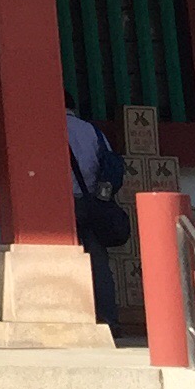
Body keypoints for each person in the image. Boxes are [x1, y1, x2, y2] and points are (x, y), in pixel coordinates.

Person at [66, 96, 124, 328]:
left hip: (65, 202)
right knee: (98, 261)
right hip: (94, 202)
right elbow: (109, 165)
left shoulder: (50, 128)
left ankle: (73, 315)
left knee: (63, 258)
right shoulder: (93, 131)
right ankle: (108, 318)